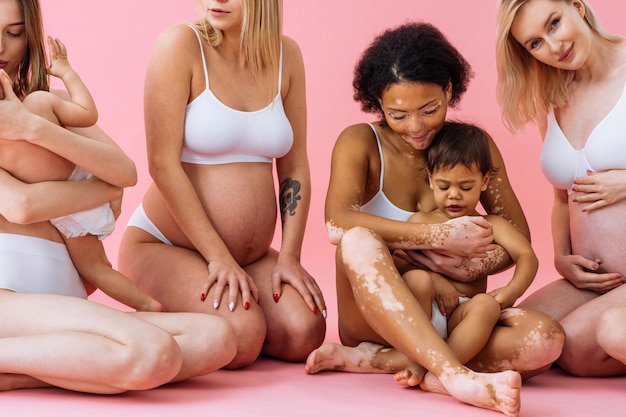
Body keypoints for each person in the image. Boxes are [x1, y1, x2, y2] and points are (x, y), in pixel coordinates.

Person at [305, 22, 566, 417]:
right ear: (378, 102)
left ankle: (382, 361)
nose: (416, 127)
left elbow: (517, 240)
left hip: (456, 313)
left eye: (430, 109)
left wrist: (470, 263)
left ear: (449, 90)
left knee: (544, 343)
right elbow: (337, 223)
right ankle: (453, 375)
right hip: (377, 318)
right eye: (398, 115)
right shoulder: (360, 142)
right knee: (358, 238)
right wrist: (437, 237)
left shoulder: (469, 149)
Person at [0, 0, 235, 393]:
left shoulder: (43, 105)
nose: (0, 47)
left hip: (63, 310)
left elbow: (123, 170)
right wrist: (100, 190)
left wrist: (32, 128)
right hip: (8, 301)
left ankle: (43, 370)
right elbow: (21, 206)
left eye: (14, 32)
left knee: (218, 337)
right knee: (153, 354)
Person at [117, 0, 326, 368]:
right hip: (166, 245)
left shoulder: (286, 54)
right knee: (242, 337)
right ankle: (144, 326)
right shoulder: (181, 45)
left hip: (250, 257)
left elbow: (294, 163)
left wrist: (290, 256)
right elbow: (161, 165)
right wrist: (218, 258)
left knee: (304, 332)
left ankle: (209, 320)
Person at [496, 0, 626, 376]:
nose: (553, 47)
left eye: (554, 23)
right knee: (514, 331)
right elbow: (561, 195)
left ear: (577, 7)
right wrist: (561, 256)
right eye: (534, 43)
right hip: (595, 280)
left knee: (591, 339)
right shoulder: (550, 96)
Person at [22, 35, 162, 312]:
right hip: (74, 193)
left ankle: (150, 306)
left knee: (96, 269)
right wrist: (66, 72)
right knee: (92, 271)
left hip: (73, 203)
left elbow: (87, 114)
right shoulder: (39, 102)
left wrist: (66, 73)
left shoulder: (40, 101)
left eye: (14, 33)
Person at [397, 121, 539, 385]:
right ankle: (418, 361)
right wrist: (437, 282)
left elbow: (527, 256)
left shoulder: (493, 225)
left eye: (465, 187)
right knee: (417, 280)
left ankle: (444, 370)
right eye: (443, 186)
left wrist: (512, 291)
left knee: (486, 305)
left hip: (463, 317)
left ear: (484, 181)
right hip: (425, 311)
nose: (454, 196)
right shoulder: (420, 222)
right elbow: (397, 263)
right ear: (429, 179)